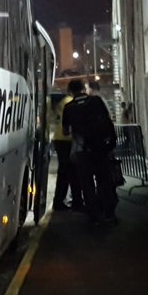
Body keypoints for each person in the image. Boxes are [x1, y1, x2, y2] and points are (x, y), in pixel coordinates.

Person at [64, 80, 119, 224]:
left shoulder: (68, 107)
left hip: (83, 150)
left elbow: (66, 132)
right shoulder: (96, 101)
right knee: (104, 180)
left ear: (70, 91)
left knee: (87, 184)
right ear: (83, 88)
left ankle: (94, 216)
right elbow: (107, 120)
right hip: (101, 148)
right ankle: (109, 213)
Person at [50, 81, 84, 211]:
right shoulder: (71, 102)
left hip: (59, 138)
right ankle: (74, 201)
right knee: (72, 171)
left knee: (65, 171)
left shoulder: (63, 101)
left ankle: (61, 200)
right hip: (68, 139)